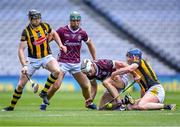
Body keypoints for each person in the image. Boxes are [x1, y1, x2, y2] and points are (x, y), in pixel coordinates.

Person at [2, 9, 67, 111]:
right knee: (20, 85)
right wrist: (24, 65)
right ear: (30, 19)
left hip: (46, 57)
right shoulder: (26, 32)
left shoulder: (45, 26)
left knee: (57, 71)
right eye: (34, 19)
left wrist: (61, 45)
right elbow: (21, 49)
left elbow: (54, 33)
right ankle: (11, 106)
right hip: (32, 60)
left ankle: (44, 92)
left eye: (38, 18)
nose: (37, 20)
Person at [39, 11, 97, 110]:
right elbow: (50, 39)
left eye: (78, 21)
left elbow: (90, 44)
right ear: (70, 21)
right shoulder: (62, 30)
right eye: (74, 21)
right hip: (62, 62)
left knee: (85, 86)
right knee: (56, 86)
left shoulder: (82, 33)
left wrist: (95, 59)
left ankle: (88, 103)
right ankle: (44, 103)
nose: (76, 23)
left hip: (76, 64)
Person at [111, 48, 176, 110]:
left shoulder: (139, 61)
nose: (127, 59)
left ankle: (168, 106)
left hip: (156, 89)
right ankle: (156, 107)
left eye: (129, 56)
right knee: (129, 107)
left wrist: (115, 73)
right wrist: (140, 99)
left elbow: (129, 69)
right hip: (149, 92)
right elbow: (142, 89)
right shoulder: (136, 71)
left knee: (141, 105)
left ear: (135, 57)